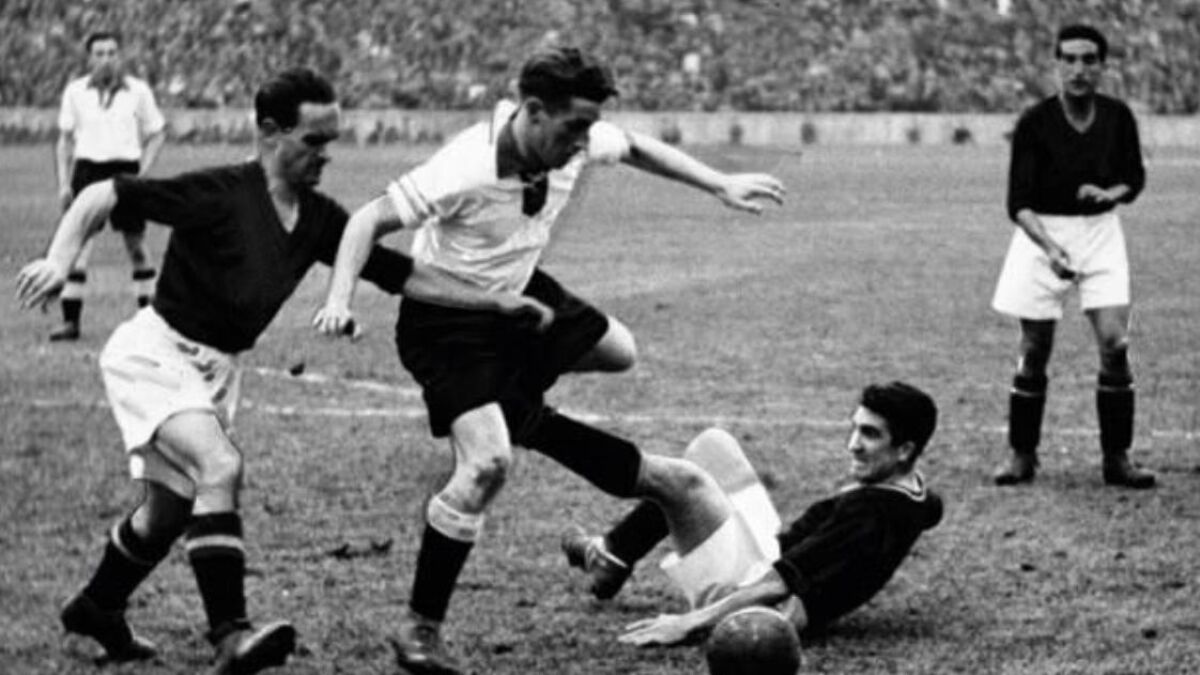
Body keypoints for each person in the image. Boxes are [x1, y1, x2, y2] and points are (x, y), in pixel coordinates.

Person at [15, 68, 549, 675]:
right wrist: (59, 258)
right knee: (220, 467)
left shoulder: (318, 218)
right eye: (314, 141)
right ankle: (231, 636)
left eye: (331, 141)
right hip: (156, 354)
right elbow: (105, 192)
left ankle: (97, 606)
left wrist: (493, 300)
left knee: (168, 513)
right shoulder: (220, 192)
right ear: (270, 132)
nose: (326, 155)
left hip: (216, 371)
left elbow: (399, 273)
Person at [312, 46, 784, 674]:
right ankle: (421, 630)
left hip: (523, 297)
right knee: (486, 464)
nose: (584, 142)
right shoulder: (467, 165)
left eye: (590, 127)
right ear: (533, 111)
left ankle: (513, 407)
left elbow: (635, 146)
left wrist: (720, 183)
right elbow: (368, 219)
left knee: (618, 351)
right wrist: (339, 299)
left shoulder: (574, 140)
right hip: (448, 325)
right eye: (574, 128)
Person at [562, 382, 944, 647]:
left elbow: (776, 584)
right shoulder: (914, 495)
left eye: (870, 434)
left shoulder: (869, 514)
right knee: (714, 447)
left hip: (753, 599)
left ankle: (546, 431)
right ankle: (613, 554)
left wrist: (688, 623)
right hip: (769, 553)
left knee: (684, 482)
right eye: (855, 429)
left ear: (904, 450)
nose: (853, 445)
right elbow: (931, 508)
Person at [990, 24, 1153, 489]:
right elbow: (1018, 203)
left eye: (1088, 60)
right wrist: (1050, 248)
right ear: (1057, 64)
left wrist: (1109, 193)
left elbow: (1134, 178)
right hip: (1042, 234)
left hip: (1100, 234)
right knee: (1035, 348)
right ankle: (1022, 454)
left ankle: (1117, 458)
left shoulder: (1118, 117)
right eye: (1070, 59)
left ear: (1102, 66)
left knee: (1115, 344)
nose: (1079, 69)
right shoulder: (1034, 122)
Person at [51, 30, 167, 341]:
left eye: (112, 53)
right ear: (89, 58)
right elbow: (64, 140)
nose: (106, 59)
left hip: (125, 171)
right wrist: (64, 182)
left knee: (137, 246)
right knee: (80, 246)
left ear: (120, 56)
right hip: (87, 171)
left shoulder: (138, 91)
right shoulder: (75, 92)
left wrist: (143, 170)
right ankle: (71, 322)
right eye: (99, 53)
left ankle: (150, 324)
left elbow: (157, 132)